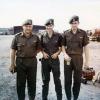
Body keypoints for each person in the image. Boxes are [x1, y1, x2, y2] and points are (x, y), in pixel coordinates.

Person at [9, 19, 41, 100]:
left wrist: (32, 53)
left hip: (32, 62)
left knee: (32, 84)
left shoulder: (36, 37)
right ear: (23, 27)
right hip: (20, 63)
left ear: (32, 27)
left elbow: (39, 48)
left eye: (30, 26)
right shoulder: (17, 37)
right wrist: (12, 64)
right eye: (26, 26)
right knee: (20, 84)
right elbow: (13, 50)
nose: (28, 28)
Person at [62, 16, 89, 100]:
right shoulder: (65, 33)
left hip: (78, 59)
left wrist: (87, 62)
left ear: (78, 23)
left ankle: (75, 97)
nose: (74, 25)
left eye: (75, 23)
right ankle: (68, 97)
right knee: (67, 80)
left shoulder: (83, 33)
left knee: (77, 80)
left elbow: (86, 48)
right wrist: (64, 54)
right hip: (68, 59)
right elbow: (62, 45)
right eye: (72, 23)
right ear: (70, 24)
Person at [41, 19, 62, 100]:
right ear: (45, 26)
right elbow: (41, 47)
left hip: (55, 61)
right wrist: (43, 53)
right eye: (47, 26)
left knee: (57, 81)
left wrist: (57, 53)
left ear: (53, 26)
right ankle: (44, 98)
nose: (49, 27)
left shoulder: (58, 35)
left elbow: (61, 48)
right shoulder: (42, 35)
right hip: (45, 61)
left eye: (50, 25)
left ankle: (59, 98)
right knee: (45, 81)